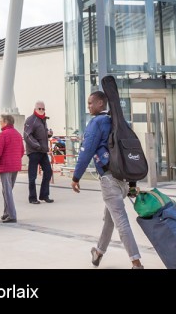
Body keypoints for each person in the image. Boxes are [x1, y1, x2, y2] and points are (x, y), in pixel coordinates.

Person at [72, 90, 143, 269]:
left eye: (90, 103)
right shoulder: (117, 121)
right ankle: (98, 252)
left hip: (109, 179)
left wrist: (76, 177)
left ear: (101, 104)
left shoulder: (96, 123)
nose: (88, 106)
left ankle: (136, 262)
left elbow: (86, 150)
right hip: (125, 178)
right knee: (109, 218)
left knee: (121, 220)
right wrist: (133, 183)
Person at [0, 113, 25, 223]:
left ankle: (11, 214)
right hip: (14, 166)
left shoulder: (2, 135)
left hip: (5, 166)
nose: (0, 123)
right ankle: (6, 213)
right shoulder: (17, 134)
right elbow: (22, 151)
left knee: (7, 191)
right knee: (7, 190)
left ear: (5, 122)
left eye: (1, 121)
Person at [24, 100, 54, 204]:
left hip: (43, 151)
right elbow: (27, 135)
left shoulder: (43, 120)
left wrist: (49, 134)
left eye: (43, 108)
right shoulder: (31, 120)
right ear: (35, 109)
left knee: (48, 171)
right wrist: (37, 145)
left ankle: (44, 195)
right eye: (39, 108)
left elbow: (40, 134)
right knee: (32, 176)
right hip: (34, 152)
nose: (41, 110)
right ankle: (32, 198)